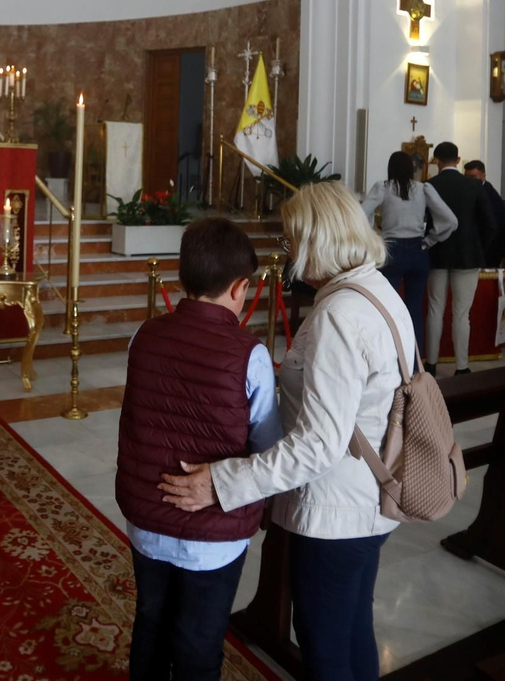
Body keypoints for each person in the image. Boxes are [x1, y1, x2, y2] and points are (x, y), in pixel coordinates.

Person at [159, 182, 413, 681]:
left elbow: (318, 445)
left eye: (293, 239)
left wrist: (223, 482)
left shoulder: (341, 315)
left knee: (326, 652)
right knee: (353, 630)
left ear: (318, 239)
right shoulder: (376, 290)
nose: (290, 251)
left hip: (337, 513)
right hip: (368, 500)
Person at [116, 218, 283, 681]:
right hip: (214, 532)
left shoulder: (144, 336)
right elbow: (267, 447)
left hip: (148, 516)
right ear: (240, 288)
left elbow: (137, 421)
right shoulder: (249, 355)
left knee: (150, 623)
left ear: (182, 277)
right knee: (198, 642)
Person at [363, 151, 457, 358]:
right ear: (412, 169)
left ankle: (388, 360)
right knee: (414, 309)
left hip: (392, 252)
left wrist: (374, 237)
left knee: (386, 308)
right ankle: (414, 365)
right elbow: (451, 220)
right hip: (418, 252)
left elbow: (360, 215)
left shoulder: (383, 187)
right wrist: (431, 239)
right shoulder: (424, 189)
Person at [425, 142, 497, 377]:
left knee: (435, 309)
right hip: (468, 255)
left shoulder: (429, 185)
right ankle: (461, 366)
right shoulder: (474, 185)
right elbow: (489, 223)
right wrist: (478, 248)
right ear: (458, 160)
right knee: (461, 313)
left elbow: (424, 223)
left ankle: (431, 364)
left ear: (436, 160)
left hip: (436, 254)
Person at [463, 160, 505, 268]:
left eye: (473, 176)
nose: (469, 180)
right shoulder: (473, 191)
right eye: (466, 176)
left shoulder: (490, 196)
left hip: (489, 248)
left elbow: (493, 225)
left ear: (483, 176)